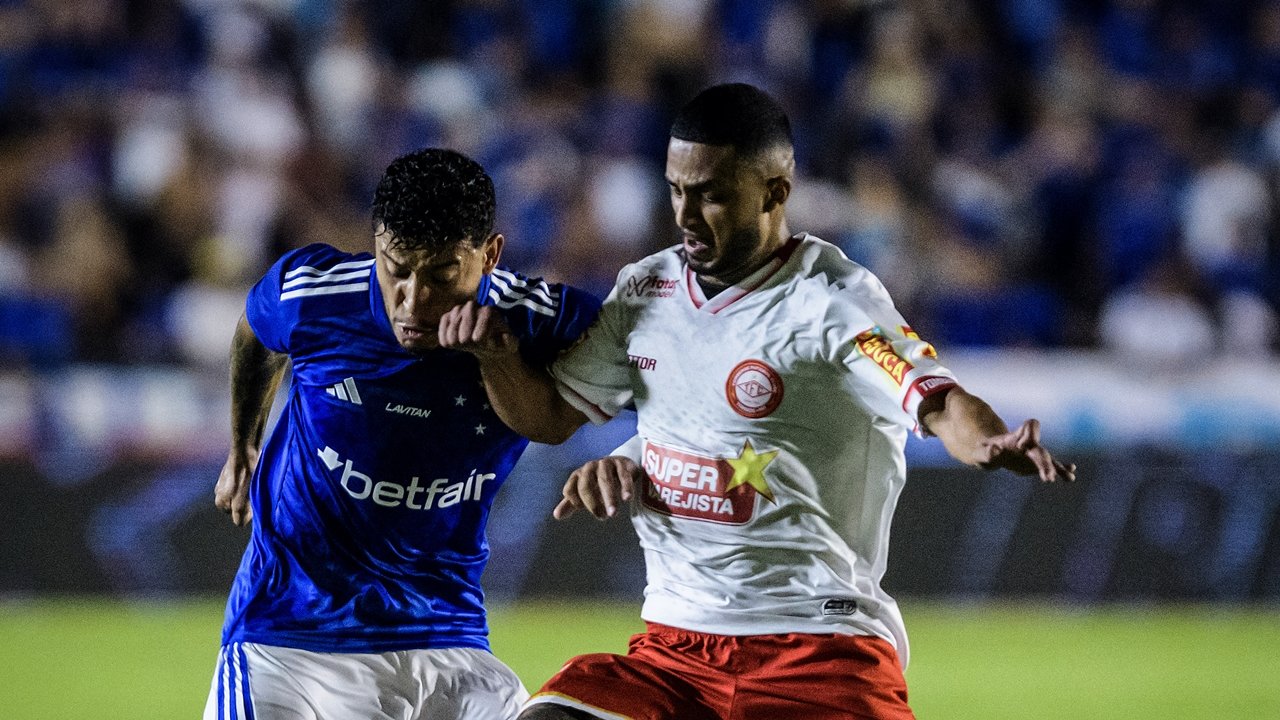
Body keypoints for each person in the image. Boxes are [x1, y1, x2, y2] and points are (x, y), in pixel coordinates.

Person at [438, 84, 1076, 720]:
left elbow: (937, 401)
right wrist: (497, 359)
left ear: (775, 192)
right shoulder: (646, 291)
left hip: (817, 649)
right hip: (674, 653)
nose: (686, 215)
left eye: (711, 195)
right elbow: (550, 417)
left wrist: (987, 441)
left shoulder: (833, 301)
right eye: (676, 190)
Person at [205, 148, 601, 720]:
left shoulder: (537, 321)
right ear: (376, 242)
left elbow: (563, 418)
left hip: (446, 634)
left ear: (489, 255)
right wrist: (243, 443)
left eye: (442, 275)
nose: (413, 301)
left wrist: (498, 360)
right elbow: (254, 329)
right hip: (288, 635)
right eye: (396, 267)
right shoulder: (313, 294)